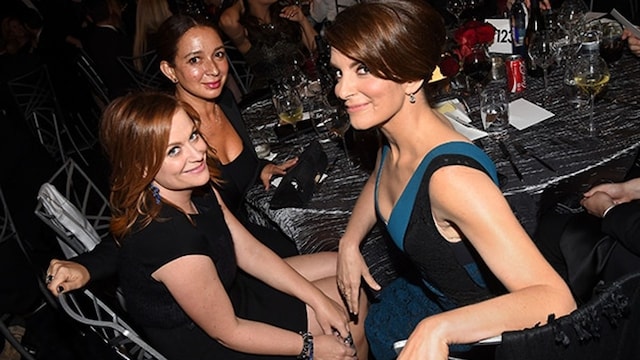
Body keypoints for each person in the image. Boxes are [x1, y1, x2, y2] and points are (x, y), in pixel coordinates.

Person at [324, 1, 576, 359]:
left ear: (411, 78)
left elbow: (556, 299)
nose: (342, 90)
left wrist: (439, 329)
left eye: (362, 70)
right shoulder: (394, 136)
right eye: (339, 72)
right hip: (432, 297)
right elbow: (385, 171)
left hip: (481, 332)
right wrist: (349, 240)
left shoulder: (452, 180)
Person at [62, 90, 366, 359]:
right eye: (173, 150)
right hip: (217, 343)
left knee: (342, 269)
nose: (197, 154)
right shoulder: (168, 239)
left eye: (193, 135)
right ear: (142, 166)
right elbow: (228, 332)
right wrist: (310, 345)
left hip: (230, 292)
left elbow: (248, 251)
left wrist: (315, 299)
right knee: (353, 303)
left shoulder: (196, 186)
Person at [218, 0, 317, 89]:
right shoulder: (247, 32)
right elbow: (226, 21)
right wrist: (241, 3)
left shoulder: (284, 15)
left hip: (305, 86)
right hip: (272, 96)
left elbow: (318, 48)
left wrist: (302, 20)